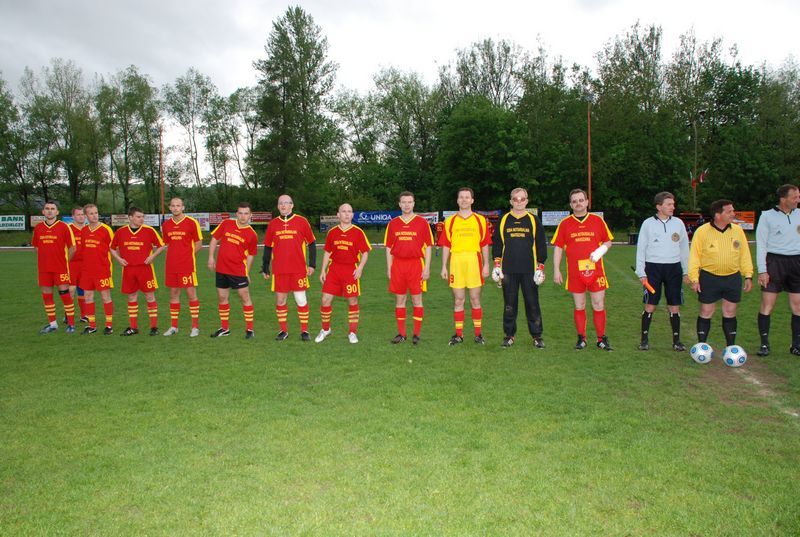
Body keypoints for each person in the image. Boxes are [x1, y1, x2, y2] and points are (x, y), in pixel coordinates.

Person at [552, 188, 614, 351]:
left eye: (581, 200)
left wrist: (600, 251)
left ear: (587, 202)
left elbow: (608, 242)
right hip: (575, 272)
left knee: (598, 304)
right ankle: (582, 338)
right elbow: (558, 247)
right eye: (574, 201)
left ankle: (601, 339)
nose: (578, 203)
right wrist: (556, 269)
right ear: (571, 204)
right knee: (579, 305)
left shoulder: (597, 220)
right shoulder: (565, 224)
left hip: (596, 271)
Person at [688, 199, 754, 346]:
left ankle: (730, 347)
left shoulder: (737, 230)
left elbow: (744, 254)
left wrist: (748, 275)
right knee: (706, 311)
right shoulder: (702, 231)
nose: (733, 213)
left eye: (733, 210)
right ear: (718, 215)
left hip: (733, 277)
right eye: (729, 211)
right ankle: (702, 346)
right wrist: (694, 279)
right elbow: (694, 257)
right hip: (709, 277)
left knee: (730, 311)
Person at [491, 187, 548, 348]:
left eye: (522, 199)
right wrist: (497, 265)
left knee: (532, 304)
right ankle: (509, 335)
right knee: (509, 304)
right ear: (511, 201)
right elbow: (497, 243)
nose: (519, 202)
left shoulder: (533, 220)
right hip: (508, 270)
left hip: (529, 270)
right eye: (515, 199)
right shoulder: (504, 220)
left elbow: (541, 244)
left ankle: (537, 336)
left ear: (527, 201)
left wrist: (540, 267)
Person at [634, 192, 690, 351]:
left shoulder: (678, 223)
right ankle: (644, 340)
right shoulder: (648, 224)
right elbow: (641, 249)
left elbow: (684, 248)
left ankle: (676, 342)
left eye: (673, 204)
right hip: (653, 269)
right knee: (651, 304)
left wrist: (686, 271)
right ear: (659, 207)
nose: (673, 207)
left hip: (674, 268)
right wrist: (641, 272)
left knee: (674, 305)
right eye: (669, 204)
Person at [439, 187, 491, 345]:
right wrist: (443, 266)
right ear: (457, 200)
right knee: (458, 300)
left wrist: (486, 264)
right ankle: (458, 335)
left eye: (467, 197)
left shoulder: (480, 220)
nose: (464, 200)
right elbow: (446, 245)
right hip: (456, 261)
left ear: (472, 200)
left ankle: (478, 335)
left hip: (474, 261)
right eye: (461, 197)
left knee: (475, 299)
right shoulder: (450, 221)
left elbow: (485, 244)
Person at [261, 194, 317, 341]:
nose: (283, 205)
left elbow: (311, 243)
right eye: (280, 203)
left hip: (298, 269)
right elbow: (267, 246)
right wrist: (265, 266)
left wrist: (312, 264)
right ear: (278, 206)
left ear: (292, 205)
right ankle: (283, 331)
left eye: (286, 203)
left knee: (301, 299)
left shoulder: (302, 221)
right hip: (279, 270)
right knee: (280, 300)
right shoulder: (273, 224)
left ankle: (304, 331)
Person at [314, 203, 371, 344]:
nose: (346, 214)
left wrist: (360, 268)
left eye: (349, 211)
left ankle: (352, 332)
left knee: (352, 301)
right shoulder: (332, 232)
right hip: (334, 270)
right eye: (343, 211)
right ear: (338, 214)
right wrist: (323, 270)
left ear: (352, 215)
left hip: (350, 270)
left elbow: (365, 252)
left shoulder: (358, 232)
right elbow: (327, 252)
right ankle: (325, 330)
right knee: (325, 300)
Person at [755, 184, 800, 356]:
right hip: (774, 262)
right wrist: (762, 270)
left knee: (798, 305)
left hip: (796, 262)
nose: (798, 200)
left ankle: (796, 345)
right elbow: (761, 244)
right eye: (795, 197)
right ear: (783, 199)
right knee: (768, 304)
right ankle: (764, 344)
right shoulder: (767, 216)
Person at [384, 191, 434, 344]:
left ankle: (416, 334)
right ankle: (402, 334)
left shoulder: (422, 223)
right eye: (404, 202)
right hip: (398, 264)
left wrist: (427, 268)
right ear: (399, 204)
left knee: (416, 299)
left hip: (416, 264)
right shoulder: (393, 223)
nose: (407, 205)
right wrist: (389, 267)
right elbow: (388, 247)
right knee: (400, 299)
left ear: (414, 204)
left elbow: (428, 246)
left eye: (409, 202)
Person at [110, 207, 166, 336]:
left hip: (145, 269)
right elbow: (112, 248)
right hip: (128, 269)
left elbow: (162, 245)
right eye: (138, 217)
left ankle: (154, 327)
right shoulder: (121, 232)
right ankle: (133, 327)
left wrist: (152, 256)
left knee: (150, 296)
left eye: (142, 217)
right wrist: (119, 259)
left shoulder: (149, 230)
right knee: (131, 297)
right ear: (130, 217)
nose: (141, 219)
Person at [208, 202, 259, 339]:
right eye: (240, 213)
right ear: (236, 214)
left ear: (250, 215)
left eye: (246, 213)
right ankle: (225, 328)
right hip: (221, 268)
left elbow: (251, 255)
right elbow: (214, 239)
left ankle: (250, 329)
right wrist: (211, 257)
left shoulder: (252, 234)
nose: (243, 216)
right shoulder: (226, 224)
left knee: (245, 298)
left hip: (238, 271)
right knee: (222, 298)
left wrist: (246, 272)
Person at [31, 201, 76, 334]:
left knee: (65, 295)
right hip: (44, 269)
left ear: (57, 212)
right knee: (47, 296)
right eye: (47, 208)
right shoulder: (38, 228)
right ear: (43, 212)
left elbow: (73, 248)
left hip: (60, 268)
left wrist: (65, 261)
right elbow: (36, 247)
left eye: (52, 209)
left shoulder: (64, 227)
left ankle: (71, 324)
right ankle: (53, 324)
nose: (50, 211)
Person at [161, 197, 203, 337]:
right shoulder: (166, 225)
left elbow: (198, 244)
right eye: (173, 206)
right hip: (171, 266)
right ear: (170, 208)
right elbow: (167, 243)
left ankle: (195, 327)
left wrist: (187, 256)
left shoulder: (192, 223)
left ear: (183, 207)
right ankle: (174, 326)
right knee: (173, 294)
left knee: (191, 294)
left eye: (178, 205)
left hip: (187, 266)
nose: (175, 208)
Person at [79, 204, 115, 335]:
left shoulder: (106, 229)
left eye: (96, 213)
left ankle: (109, 325)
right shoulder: (84, 231)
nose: (94, 216)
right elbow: (84, 250)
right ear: (86, 216)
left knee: (105, 297)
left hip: (102, 269)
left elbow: (114, 248)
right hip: (87, 270)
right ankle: (92, 325)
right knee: (88, 297)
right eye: (91, 213)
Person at [67, 206, 88, 323]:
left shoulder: (89, 229)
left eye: (83, 215)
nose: (81, 217)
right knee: (71, 289)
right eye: (78, 214)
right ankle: (68, 314)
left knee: (83, 290)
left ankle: (84, 315)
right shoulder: (68, 229)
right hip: (71, 263)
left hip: (85, 264)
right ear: (73, 216)